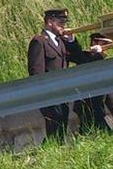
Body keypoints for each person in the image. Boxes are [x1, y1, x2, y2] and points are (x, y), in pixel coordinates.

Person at [27, 9, 103, 143]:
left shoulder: (62, 42)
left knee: (61, 127)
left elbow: (79, 58)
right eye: (60, 22)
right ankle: (48, 154)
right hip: (49, 93)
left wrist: (72, 41)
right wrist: (42, 94)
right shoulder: (40, 41)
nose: (63, 25)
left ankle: (52, 153)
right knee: (55, 127)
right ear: (50, 22)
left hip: (62, 94)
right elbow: (36, 72)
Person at [71, 34, 113, 134]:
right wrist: (99, 55)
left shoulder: (100, 60)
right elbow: (88, 69)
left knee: (94, 133)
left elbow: (104, 88)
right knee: (95, 132)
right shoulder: (84, 57)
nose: (106, 48)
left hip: (98, 107)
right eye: (104, 44)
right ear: (94, 43)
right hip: (86, 106)